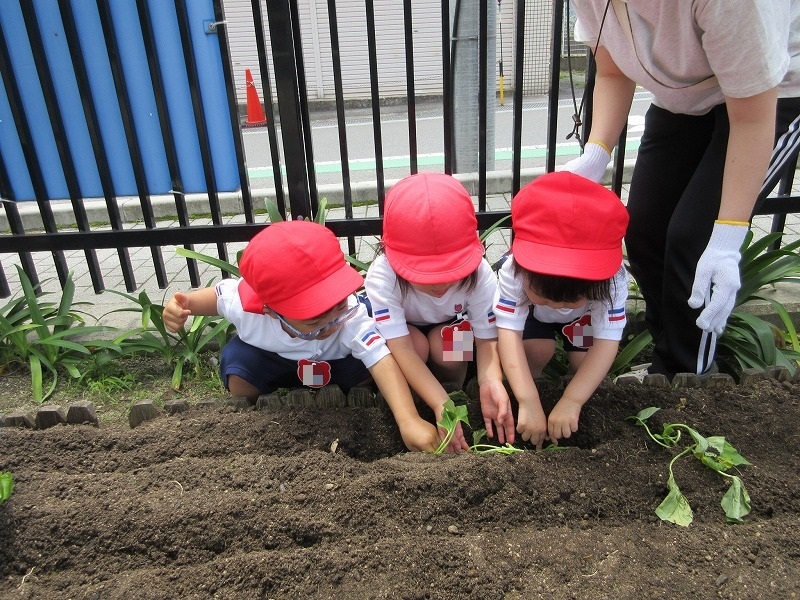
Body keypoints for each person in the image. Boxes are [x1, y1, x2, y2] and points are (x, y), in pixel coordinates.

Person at [563, 0, 797, 380]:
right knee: (644, 230)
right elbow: (612, 72)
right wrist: (595, 154)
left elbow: (752, 118)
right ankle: (666, 357)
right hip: (684, 99)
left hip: (771, 94)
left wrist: (726, 239)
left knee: (696, 240)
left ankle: (692, 379)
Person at [162, 220, 440, 453]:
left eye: (339, 304)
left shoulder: (351, 316)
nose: (332, 321)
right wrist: (182, 306)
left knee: (369, 370)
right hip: (277, 360)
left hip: (338, 361)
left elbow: (379, 357)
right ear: (270, 310)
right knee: (238, 370)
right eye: (315, 318)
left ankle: (349, 390)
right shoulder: (246, 306)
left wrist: (408, 420)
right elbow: (215, 297)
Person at [364, 173, 515, 451]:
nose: (440, 284)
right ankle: (414, 400)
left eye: (451, 271)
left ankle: (454, 388)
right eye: (424, 274)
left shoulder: (480, 275)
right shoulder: (382, 276)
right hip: (404, 336)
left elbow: (487, 339)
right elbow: (403, 349)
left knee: (450, 342)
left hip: (451, 326)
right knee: (418, 345)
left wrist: (490, 380)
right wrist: (440, 404)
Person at [495, 172, 629, 449]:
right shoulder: (512, 269)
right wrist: (528, 400)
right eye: (544, 297)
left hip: (582, 320)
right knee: (536, 351)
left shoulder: (613, 279)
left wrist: (573, 400)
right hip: (534, 317)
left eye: (568, 301)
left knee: (584, 365)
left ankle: (567, 402)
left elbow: (607, 342)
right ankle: (537, 391)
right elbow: (508, 332)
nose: (556, 306)